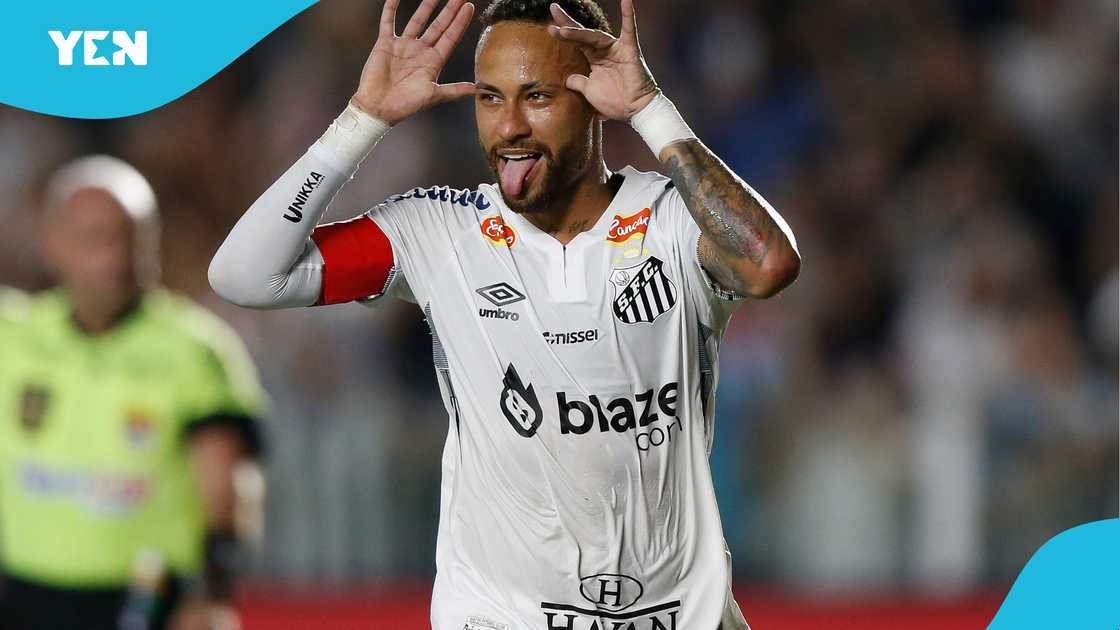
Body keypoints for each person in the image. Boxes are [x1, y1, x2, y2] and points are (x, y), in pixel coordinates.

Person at [209, 0, 799, 627]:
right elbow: (245, 274)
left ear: (594, 97)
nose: (509, 126)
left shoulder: (671, 221)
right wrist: (362, 120)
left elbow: (768, 263)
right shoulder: (440, 231)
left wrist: (653, 110)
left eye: (536, 97)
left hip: (679, 615)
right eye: (490, 98)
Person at [0, 156, 266, 630]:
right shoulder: (13, 337)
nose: (117, 257)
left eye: (132, 238)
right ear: (52, 244)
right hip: (23, 590)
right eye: (96, 238)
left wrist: (212, 596)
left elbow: (227, 487)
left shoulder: (195, 349)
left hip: (148, 594)